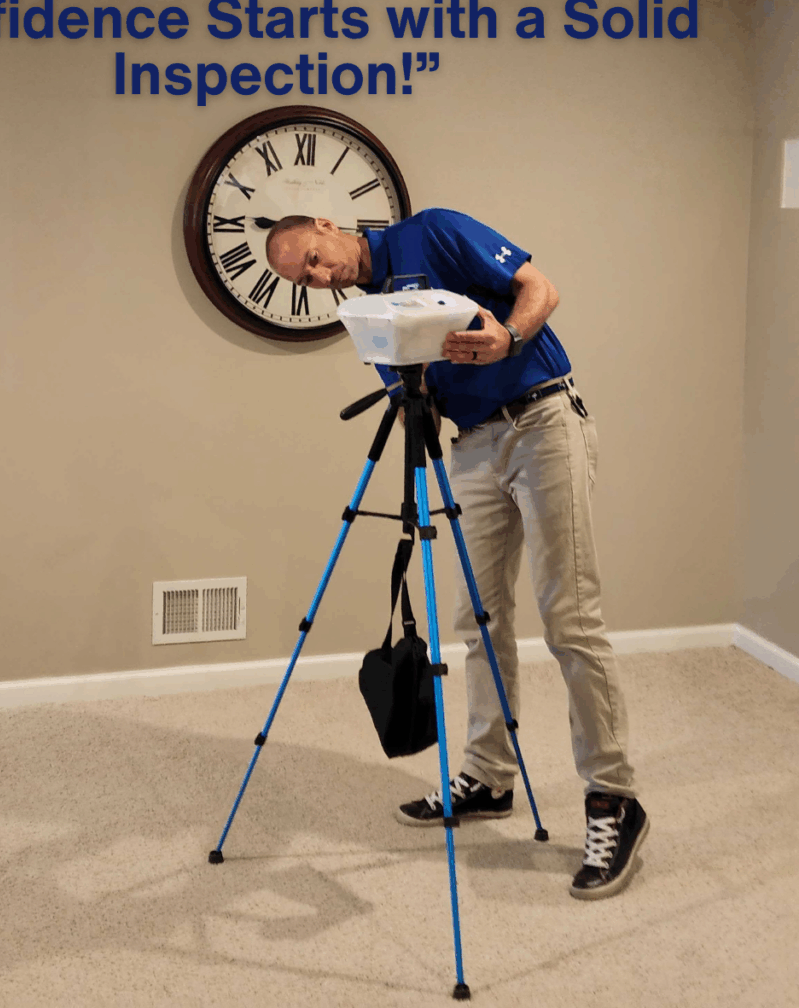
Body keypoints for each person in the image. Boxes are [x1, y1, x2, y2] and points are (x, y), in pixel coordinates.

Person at [265, 210, 649, 900]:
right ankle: (488, 777)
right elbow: (414, 400)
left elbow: (541, 289)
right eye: (306, 279)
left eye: (315, 257)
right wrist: (409, 397)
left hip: (541, 421)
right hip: (471, 445)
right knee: (478, 619)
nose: (322, 277)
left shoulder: (433, 231)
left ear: (326, 224)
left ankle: (614, 799)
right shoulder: (370, 313)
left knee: (571, 619)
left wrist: (508, 336)